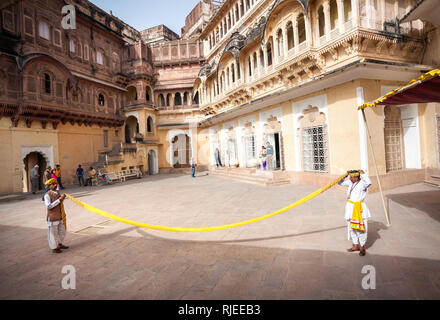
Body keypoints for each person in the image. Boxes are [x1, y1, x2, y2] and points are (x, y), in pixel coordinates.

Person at [338, 170, 372, 256]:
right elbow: (339, 182)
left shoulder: (363, 184)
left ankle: (362, 247)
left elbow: (369, 182)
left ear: (357, 177)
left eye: (352, 177)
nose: (350, 178)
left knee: (361, 228)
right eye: (350, 177)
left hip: (359, 208)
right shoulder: (349, 182)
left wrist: (363, 173)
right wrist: (345, 175)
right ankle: (355, 245)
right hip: (350, 207)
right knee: (351, 227)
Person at [43, 178, 69, 254]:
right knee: (52, 233)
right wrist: (59, 200)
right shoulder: (47, 195)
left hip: (60, 215)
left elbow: (60, 202)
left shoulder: (57, 192)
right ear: (49, 186)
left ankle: (60, 244)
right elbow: (49, 206)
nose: (55, 185)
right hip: (52, 217)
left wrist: (62, 198)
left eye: (55, 184)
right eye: (53, 184)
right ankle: (54, 248)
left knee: (62, 231)